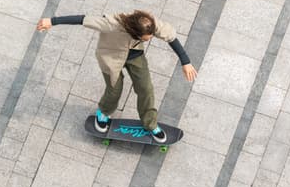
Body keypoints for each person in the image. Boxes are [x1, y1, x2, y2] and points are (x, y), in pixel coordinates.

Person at [36, 10, 197, 142]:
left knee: (146, 88)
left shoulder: (150, 24)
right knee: (115, 89)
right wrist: (52, 21)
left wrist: (186, 61)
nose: (147, 40)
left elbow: (171, 37)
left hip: (135, 56)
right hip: (110, 57)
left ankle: (150, 124)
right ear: (134, 32)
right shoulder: (111, 24)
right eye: (144, 39)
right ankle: (103, 113)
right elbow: (82, 19)